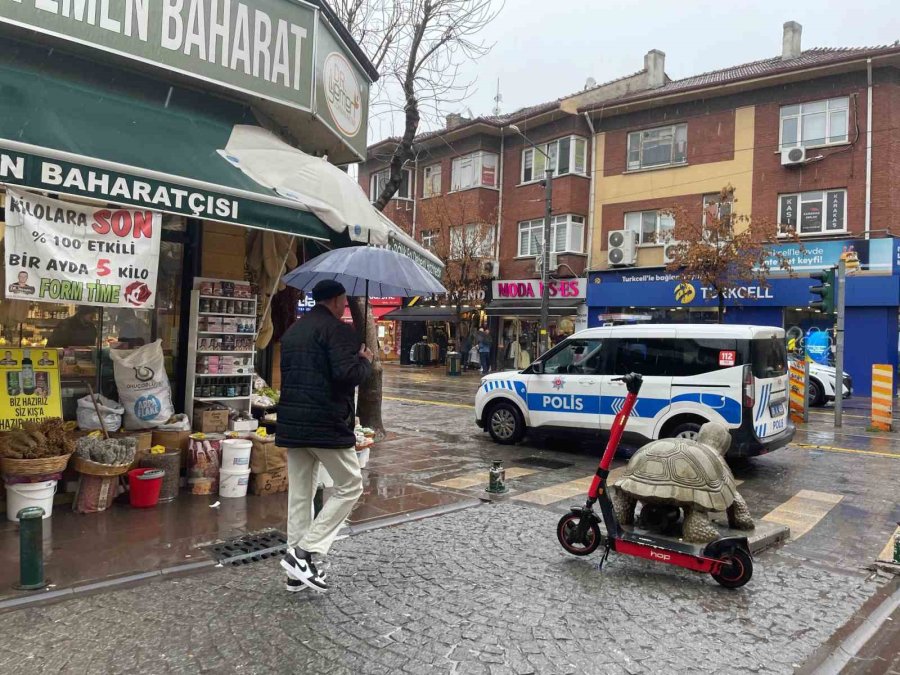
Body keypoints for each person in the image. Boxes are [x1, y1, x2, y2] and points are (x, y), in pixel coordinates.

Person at [278, 279, 373, 593]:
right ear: (334, 300)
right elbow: (347, 376)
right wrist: (364, 361)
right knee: (350, 485)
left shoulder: (293, 331)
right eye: (343, 300)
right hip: (325, 423)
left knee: (300, 495)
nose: (345, 305)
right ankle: (305, 550)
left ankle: (296, 573)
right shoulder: (338, 331)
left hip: (293, 423)